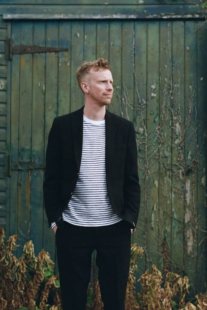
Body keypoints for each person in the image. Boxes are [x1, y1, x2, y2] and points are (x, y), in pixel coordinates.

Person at [43, 58, 140, 310]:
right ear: (85, 87)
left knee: (115, 301)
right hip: (73, 228)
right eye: (103, 82)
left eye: (111, 82)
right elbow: (51, 179)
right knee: (73, 302)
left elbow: (132, 181)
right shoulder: (63, 127)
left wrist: (129, 220)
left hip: (115, 228)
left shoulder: (123, 129)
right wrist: (55, 221)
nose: (110, 87)